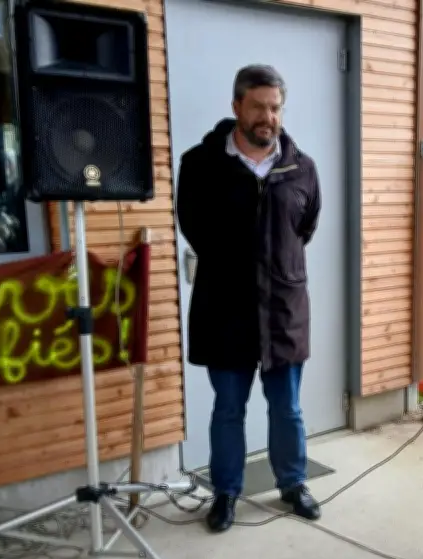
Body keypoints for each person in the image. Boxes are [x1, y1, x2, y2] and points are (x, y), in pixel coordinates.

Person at [175, 64, 322, 533]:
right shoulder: (200, 165)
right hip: (226, 311)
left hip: (283, 311)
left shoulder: (302, 167)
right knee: (228, 409)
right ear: (236, 106)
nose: (267, 117)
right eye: (257, 106)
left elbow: (306, 227)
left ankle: (293, 483)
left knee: (288, 408)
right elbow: (194, 228)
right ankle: (226, 493)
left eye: (274, 107)